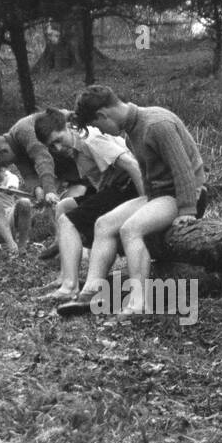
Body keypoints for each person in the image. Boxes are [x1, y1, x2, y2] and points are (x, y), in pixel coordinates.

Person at [59, 85, 207, 319]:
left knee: (131, 229)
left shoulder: (157, 125)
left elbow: (184, 171)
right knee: (104, 224)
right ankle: (91, 292)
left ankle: (138, 303)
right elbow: (148, 175)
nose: (102, 130)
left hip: (185, 195)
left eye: (98, 126)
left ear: (103, 115)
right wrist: (145, 203)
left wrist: (187, 211)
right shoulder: (133, 130)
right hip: (160, 196)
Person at [33, 106, 144, 301]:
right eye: (52, 146)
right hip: (111, 188)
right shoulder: (76, 143)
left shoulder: (91, 140)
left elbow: (132, 165)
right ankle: (65, 276)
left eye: (58, 140)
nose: (57, 148)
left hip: (126, 188)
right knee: (64, 206)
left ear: (69, 127)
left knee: (69, 221)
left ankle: (70, 287)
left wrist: (147, 200)